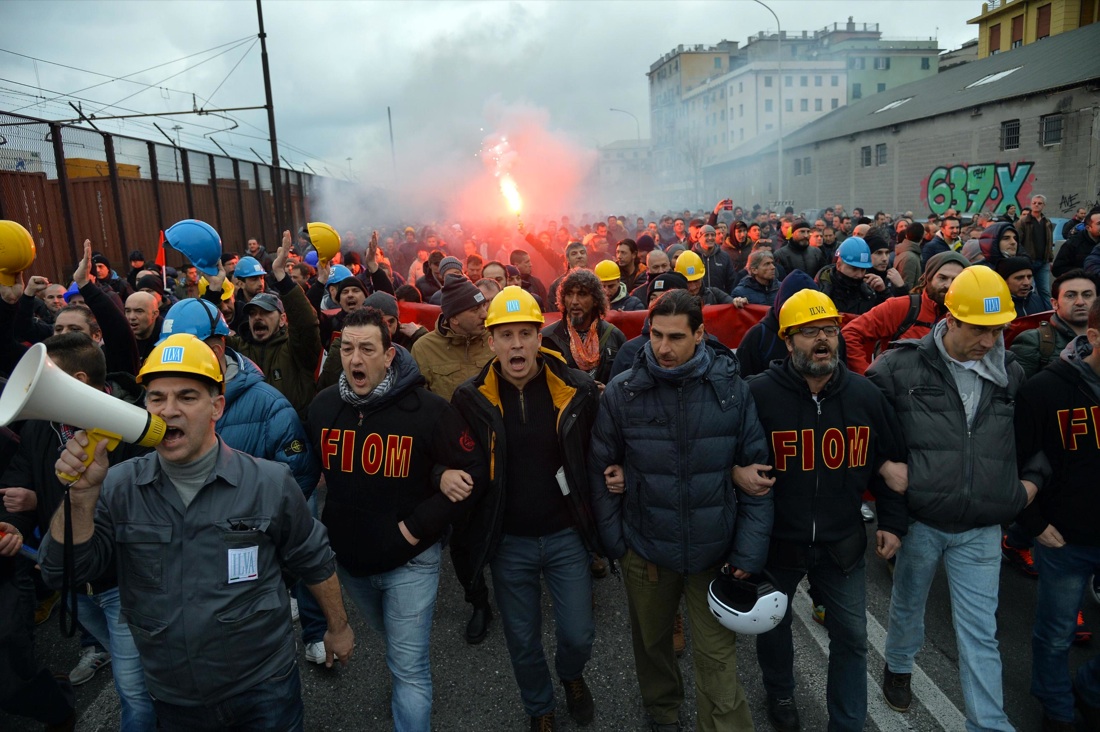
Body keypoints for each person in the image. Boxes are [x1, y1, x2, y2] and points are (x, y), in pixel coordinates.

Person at [37, 334, 354, 731]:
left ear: (216, 406)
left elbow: (314, 560)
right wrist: (81, 497)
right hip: (174, 698)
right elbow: (61, 572)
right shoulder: (118, 486)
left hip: (263, 688)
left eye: (187, 397)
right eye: (156, 398)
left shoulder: (269, 483)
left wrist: (337, 627)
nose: (168, 411)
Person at [589, 289, 773, 732]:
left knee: (718, 662)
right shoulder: (623, 392)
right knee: (652, 647)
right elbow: (600, 468)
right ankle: (662, 713)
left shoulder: (731, 391)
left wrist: (747, 554)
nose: (663, 348)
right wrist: (616, 545)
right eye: (655, 336)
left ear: (701, 335)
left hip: (714, 555)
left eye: (675, 337)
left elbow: (759, 479)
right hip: (646, 551)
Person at [867, 266, 1035, 732]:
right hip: (922, 521)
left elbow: (1037, 439)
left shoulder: (1011, 373)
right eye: (980, 329)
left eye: (997, 329)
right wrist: (883, 469)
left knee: (981, 632)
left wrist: (1028, 487)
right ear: (951, 319)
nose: (989, 340)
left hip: (981, 527)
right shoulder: (899, 367)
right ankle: (898, 665)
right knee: (908, 604)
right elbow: (863, 423)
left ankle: (989, 724)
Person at [308, 306, 483, 732]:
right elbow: (308, 477)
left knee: (409, 667)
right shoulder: (323, 408)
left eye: (367, 349)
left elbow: (472, 471)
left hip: (411, 562)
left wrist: (414, 527)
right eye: (347, 348)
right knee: (396, 644)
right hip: (351, 566)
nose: (355, 359)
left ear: (389, 356)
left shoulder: (428, 410)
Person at [748, 290, 908, 732]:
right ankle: (780, 692)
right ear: (787, 340)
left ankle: (848, 722)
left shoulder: (865, 396)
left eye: (829, 330)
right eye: (809, 332)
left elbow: (892, 463)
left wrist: (893, 522)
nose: (823, 340)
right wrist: (736, 475)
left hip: (842, 542)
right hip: (777, 542)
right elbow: (731, 460)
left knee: (853, 639)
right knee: (773, 629)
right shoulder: (757, 396)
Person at [451, 287, 602, 731]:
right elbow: (453, 456)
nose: (516, 344)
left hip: (564, 536)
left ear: (540, 337)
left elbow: (599, 451)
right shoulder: (469, 398)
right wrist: (444, 473)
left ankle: (571, 675)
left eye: (525, 334)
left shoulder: (576, 388)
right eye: (506, 335)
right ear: (491, 341)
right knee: (521, 639)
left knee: (579, 633)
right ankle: (540, 707)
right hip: (509, 542)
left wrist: (612, 476)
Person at [0, 333, 155, 731]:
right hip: (74, 583)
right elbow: (22, 476)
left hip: (121, 580)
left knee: (132, 689)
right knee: (134, 666)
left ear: (81, 380)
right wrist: (15, 523)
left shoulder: (132, 428)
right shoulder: (43, 428)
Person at [1014, 296, 1100, 732]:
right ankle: (1056, 706)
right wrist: (1034, 525)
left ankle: (1090, 690)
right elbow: (1020, 462)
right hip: (1064, 537)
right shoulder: (1044, 390)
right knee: (1056, 633)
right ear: (1094, 337)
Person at [210, 235, 322, 421]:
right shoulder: (238, 349)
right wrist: (214, 293)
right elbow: (204, 336)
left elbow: (307, 323)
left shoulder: (295, 349)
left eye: (266, 313)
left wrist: (281, 276)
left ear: (282, 319)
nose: (258, 318)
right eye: (253, 313)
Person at [842, 252, 970, 375]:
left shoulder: (970, 316)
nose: (948, 285)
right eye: (942, 278)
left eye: (956, 280)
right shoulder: (902, 307)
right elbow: (850, 333)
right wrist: (867, 378)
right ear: (928, 279)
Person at [541, 268, 626, 388]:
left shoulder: (614, 336)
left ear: (595, 300)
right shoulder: (548, 338)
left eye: (582, 294)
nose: (574, 301)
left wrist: (608, 393)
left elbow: (625, 383)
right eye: (569, 294)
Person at [1010, 269, 1097, 378]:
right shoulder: (1033, 341)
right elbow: (1019, 390)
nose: (1080, 302)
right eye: (1070, 295)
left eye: (1087, 295)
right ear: (1054, 303)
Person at [815, 237, 881, 316]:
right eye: (854, 269)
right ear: (839, 265)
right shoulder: (820, 291)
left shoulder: (868, 293)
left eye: (863, 270)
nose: (860, 275)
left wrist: (883, 293)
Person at [1016, 194, 1055, 302]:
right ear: (1031, 204)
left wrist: (1050, 259)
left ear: (1044, 205)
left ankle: (1047, 314)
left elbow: (1049, 242)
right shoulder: (1023, 222)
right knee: (1028, 291)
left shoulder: (1047, 222)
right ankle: (1030, 313)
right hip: (1028, 262)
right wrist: (1023, 258)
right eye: (1034, 203)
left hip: (1043, 262)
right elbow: (1016, 242)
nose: (1036, 205)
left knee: (1045, 291)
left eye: (1039, 203)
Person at [1058, 209, 1100, 276]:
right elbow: (1058, 269)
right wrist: (1084, 272)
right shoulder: (1072, 244)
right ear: (1088, 227)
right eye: (1099, 224)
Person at [124, 291, 162, 361]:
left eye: (139, 311)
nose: (131, 317)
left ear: (154, 314)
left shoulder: (166, 341)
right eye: (128, 311)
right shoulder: (120, 339)